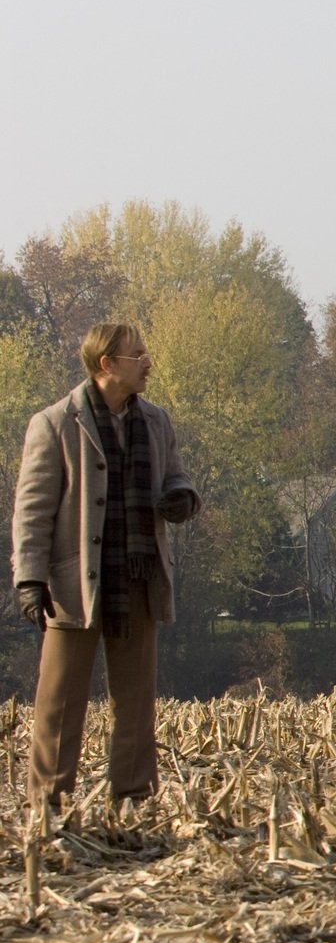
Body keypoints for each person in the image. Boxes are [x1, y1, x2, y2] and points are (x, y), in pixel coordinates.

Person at [12, 322, 200, 815]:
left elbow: (177, 476)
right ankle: (48, 807)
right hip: (73, 585)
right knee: (59, 700)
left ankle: (135, 800)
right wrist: (29, 577)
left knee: (136, 702)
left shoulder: (156, 422)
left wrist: (182, 498)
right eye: (138, 354)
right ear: (106, 365)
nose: (148, 361)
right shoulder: (53, 424)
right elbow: (32, 510)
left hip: (139, 577)